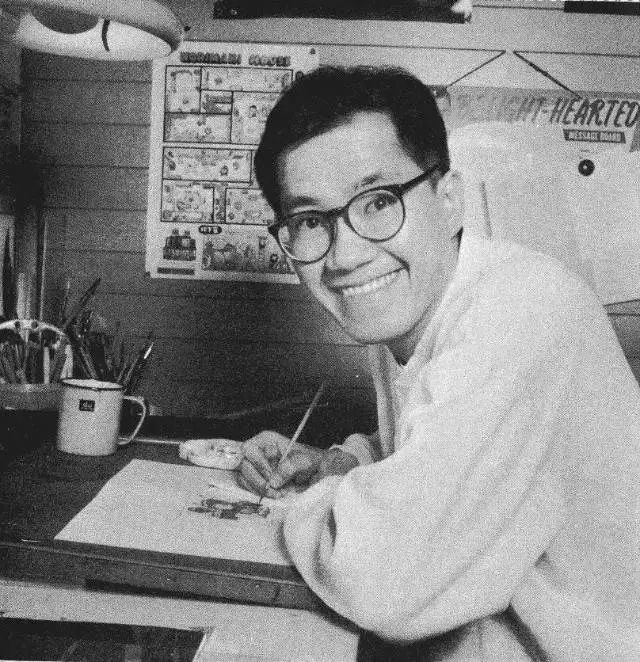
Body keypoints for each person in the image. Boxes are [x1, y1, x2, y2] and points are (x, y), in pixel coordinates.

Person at [239, 66, 640, 660]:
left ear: (450, 200)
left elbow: (383, 581)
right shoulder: (423, 298)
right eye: (309, 222)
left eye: (378, 202)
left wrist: (313, 503)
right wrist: (340, 462)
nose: (345, 256)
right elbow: (433, 442)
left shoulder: (517, 312)